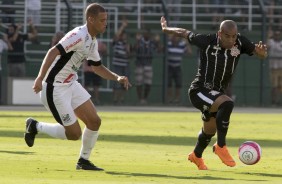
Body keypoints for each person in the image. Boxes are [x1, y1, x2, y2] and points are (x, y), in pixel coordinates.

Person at [24, 3, 131, 171]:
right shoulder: (78, 35)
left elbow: (97, 67)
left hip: (70, 84)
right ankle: (35, 126)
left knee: (95, 121)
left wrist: (117, 77)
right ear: (91, 19)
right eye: (102, 20)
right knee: (74, 134)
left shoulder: (92, 40)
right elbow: (53, 51)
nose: (106, 24)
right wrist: (39, 78)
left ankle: (83, 161)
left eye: (106, 20)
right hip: (54, 87)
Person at [160, 16, 267, 170]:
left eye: (233, 36)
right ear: (219, 34)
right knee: (227, 103)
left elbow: (259, 53)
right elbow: (184, 32)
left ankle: (196, 155)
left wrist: (262, 53)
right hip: (200, 90)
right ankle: (221, 146)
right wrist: (166, 29)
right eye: (227, 36)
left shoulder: (240, 42)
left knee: (209, 130)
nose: (231, 40)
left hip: (216, 93)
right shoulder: (207, 41)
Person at [134, 29, 161, 105]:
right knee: (139, 83)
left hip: (148, 64)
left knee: (148, 83)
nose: (146, 35)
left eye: (148, 34)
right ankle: (140, 99)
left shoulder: (152, 42)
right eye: (145, 33)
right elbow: (134, 49)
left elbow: (159, 50)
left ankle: (145, 99)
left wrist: (158, 41)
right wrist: (137, 41)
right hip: (139, 64)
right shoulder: (140, 41)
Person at [166, 34, 192, 104]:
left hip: (177, 67)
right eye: (173, 36)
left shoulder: (182, 45)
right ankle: (169, 99)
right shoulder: (168, 44)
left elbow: (189, 52)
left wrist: (187, 44)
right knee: (169, 84)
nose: (175, 38)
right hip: (169, 66)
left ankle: (177, 99)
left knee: (178, 84)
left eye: (176, 37)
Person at [112, 19, 131, 105]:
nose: (124, 37)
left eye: (125, 36)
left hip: (125, 64)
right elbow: (116, 36)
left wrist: (128, 50)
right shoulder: (117, 42)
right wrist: (123, 26)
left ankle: (121, 99)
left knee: (124, 83)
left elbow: (129, 55)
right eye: (123, 35)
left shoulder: (127, 44)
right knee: (117, 82)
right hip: (117, 65)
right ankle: (115, 99)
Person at [83, 40, 107, 105]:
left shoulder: (99, 43)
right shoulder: (86, 42)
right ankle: (84, 101)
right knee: (86, 85)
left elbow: (105, 51)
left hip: (97, 69)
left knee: (96, 85)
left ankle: (97, 100)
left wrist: (99, 51)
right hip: (88, 69)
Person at [267, 30, 282, 105]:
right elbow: (267, 47)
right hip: (274, 68)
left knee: (280, 86)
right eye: (276, 35)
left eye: (278, 35)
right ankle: (274, 101)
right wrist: (269, 36)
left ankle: (279, 101)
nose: (277, 36)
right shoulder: (271, 42)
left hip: (281, 67)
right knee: (274, 86)